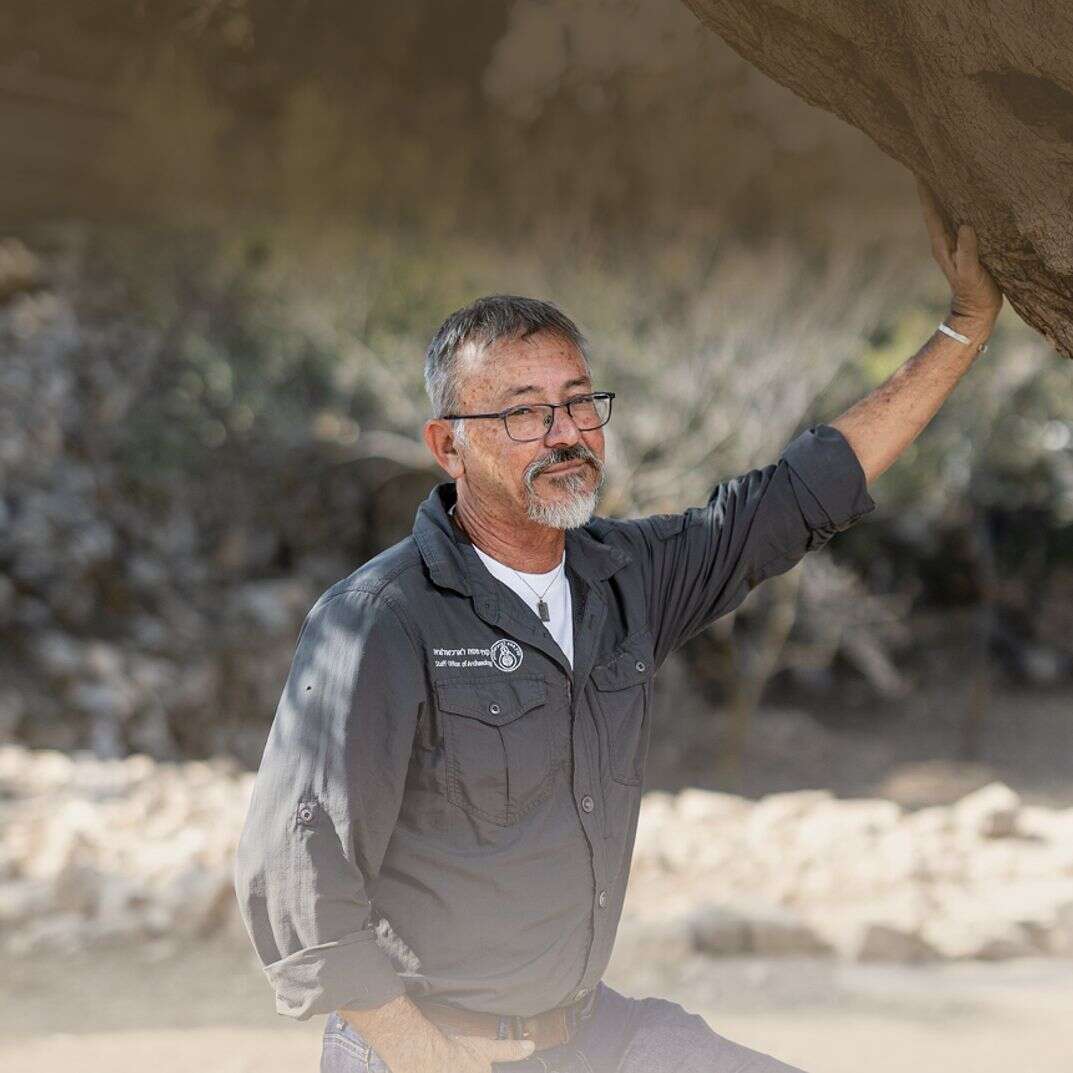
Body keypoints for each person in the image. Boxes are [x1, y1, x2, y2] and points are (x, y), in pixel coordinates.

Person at [233, 179, 1003, 1073]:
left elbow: (797, 496)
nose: (565, 433)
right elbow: (295, 873)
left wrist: (965, 325)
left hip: (592, 1036)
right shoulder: (379, 619)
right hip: (426, 1052)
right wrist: (426, 1056)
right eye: (522, 412)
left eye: (577, 401)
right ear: (447, 446)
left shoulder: (627, 577)